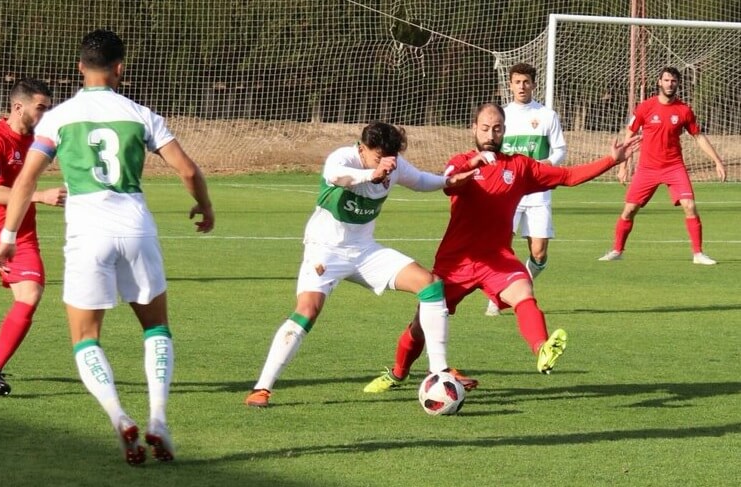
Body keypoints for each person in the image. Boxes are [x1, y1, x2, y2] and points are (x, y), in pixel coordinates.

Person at [0, 29, 214, 466]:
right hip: (136, 227)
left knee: (85, 336)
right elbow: (188, 170)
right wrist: (204, 206)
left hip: (87, 232)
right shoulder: (140, 114)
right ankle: (159, 419)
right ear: (120, 69)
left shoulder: (59, 117)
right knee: (156, 328)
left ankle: (118, 416)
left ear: (79, 67)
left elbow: (27, 180)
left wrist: (8, 236)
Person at [363, 103, 640, 393]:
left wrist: (611, 160)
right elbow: (449, 185)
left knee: (523, 293)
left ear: (504, 130)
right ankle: (397, 373)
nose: (490, 134)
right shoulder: (460, 161)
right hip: (457, 262)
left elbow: (568, 176)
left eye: (496, 129)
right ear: (474, 129)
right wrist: (472, 166)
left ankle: (542, 349)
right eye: (484, 128)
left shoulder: (520, 167)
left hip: (497, 260)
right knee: (421, 325)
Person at [244, 121, 479, 408]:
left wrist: (448, 182)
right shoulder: (343, 158)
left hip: (365, 252)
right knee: (307, 310)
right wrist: (373, 172)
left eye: (390, 158)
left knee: (430, 285)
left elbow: (418, 180)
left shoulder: (394, 165)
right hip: (325, 251)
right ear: (362, 148)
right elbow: (337, 176)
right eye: (378, 156)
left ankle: (439, 372)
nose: (387, 165)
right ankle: (262, 388)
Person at [0, 78, 65, 396]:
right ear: (19, 107)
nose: (46, 114)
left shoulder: (40, 140)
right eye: (41, 108)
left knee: (30, 294)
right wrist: (40, 195)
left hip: (21, 236)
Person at [598, 66, 726, 265]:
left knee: (690, 206)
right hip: (647, 168)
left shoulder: (684, 110)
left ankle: (698, 254)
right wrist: (622, 166)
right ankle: (617, 250)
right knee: (629, 210)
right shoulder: (645, 107)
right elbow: (629, 134)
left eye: (673, 81)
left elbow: (698, 136)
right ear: (659, 82)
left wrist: (717, 161)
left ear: (678, 83)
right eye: (666, 80)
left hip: (674, 167)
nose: (670, 84)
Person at [485, 62, 567, 317]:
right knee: (500, 248)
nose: (522, 86)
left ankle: (518, 286)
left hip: (538, 193)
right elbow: (488, 148)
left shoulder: (546, 115)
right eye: (517, 82)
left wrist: (549, 164)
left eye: (526, 82)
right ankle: (498, 296)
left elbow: (560, 149)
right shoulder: (502, 116)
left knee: (539, 254)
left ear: (533, 84)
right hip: (507, 193)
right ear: (509, 85)